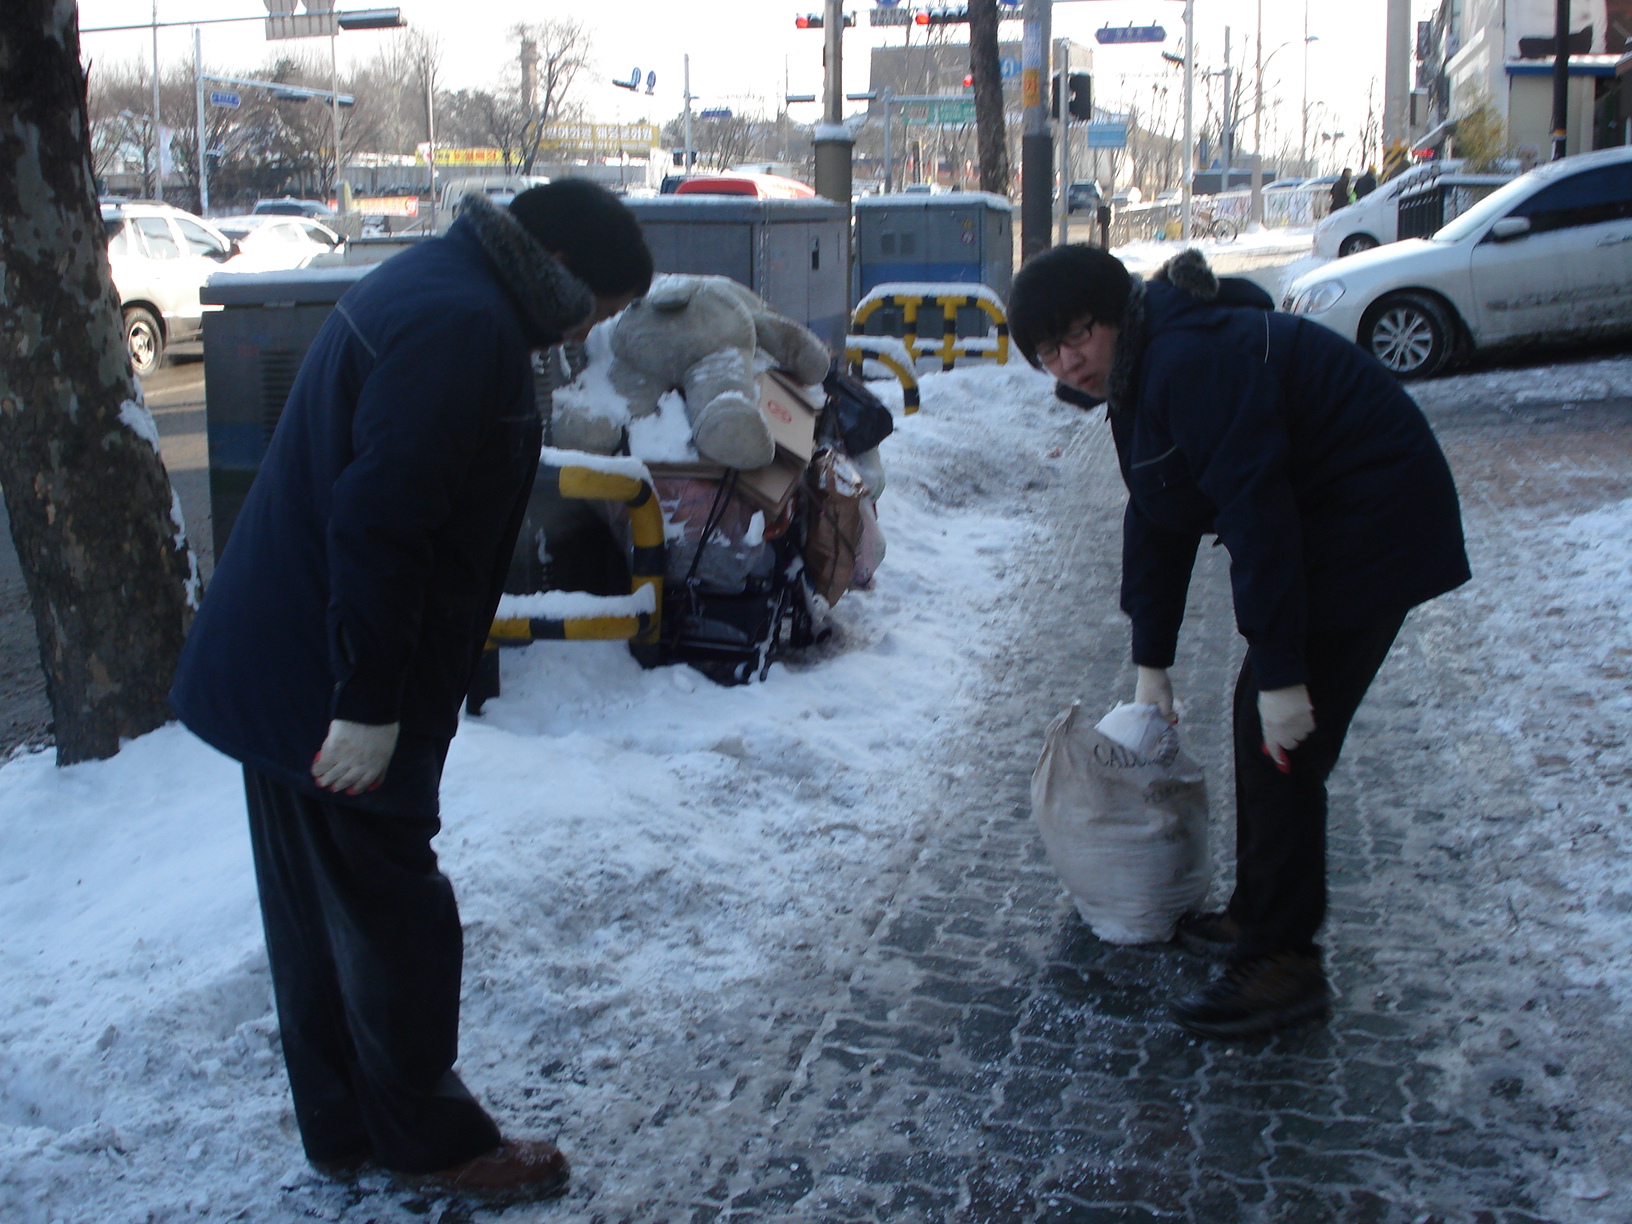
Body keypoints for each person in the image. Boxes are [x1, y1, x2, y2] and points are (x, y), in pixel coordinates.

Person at [169, 181, 653, 1199]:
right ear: (560, 270)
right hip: (329, 674)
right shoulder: (463, 326)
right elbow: (382, 522)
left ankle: (350, 1125)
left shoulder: (440, 282)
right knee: (395, 916)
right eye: (596, 309)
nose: (586, 334)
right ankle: (436, 1145)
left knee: (318, 912)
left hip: (287, 655)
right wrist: (368, 701)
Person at [1007, 244, 1469, 1040]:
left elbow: (1259, 518)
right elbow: (1157, 513)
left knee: (1282, 737)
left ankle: (1284, 961)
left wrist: (1287, 672)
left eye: (1077, 333)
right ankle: (1261, 909)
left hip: (1375, 517)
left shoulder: (1187, 363)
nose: (1066, 360)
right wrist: (1152, 662)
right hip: (1337, 517)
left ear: (1115, 312)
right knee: (1262, 721)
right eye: (1046, 351)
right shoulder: (1138, 373)